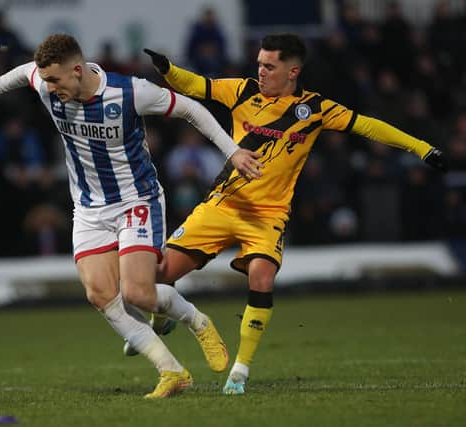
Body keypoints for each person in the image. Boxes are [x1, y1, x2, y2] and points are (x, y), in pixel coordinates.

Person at [133, 33, 447, 395]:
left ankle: (239, 371)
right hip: (223, 204)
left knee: (262, 278)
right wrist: (167, 68)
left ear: (292, 70)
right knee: (158, 275)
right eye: (259, 64)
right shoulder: (241, 91)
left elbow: (368, 125)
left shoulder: (315, 110)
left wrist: (422, 148)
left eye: (269, 65)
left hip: (268, 215)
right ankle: (163, 317)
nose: (261, 71)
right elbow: (197, 86)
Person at [0, 34, 263, 398]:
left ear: (77, 69)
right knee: (100, 293)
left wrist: (233, 152)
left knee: (137, 293)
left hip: (137, 200)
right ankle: (172, 372)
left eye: (55, 80)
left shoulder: (131, 92)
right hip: (89, 208)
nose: (49, 88)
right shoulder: (46, 82)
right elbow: (25, 72)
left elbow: (190, 109)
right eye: (46, 81)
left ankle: (197, 321)